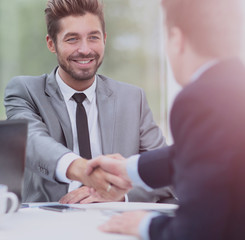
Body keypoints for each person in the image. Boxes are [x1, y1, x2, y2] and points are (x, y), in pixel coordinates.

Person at [85, 0, 245, 239]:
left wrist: (144, 224)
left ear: (176, 39)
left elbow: (196, 231)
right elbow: (205, 151)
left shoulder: (198, 100)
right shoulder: (234, 88)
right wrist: (128, 169)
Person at [4, 0, 172, 204]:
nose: (85, 49)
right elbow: (33, 141)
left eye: (93, 37)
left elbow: (165, 175)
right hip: (50, 221)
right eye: (72, 39)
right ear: (51, 43)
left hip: (114, 221)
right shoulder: (26, 91)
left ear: (105, 39)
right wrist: (83, 171)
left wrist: (118, 196)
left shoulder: (133, 98)